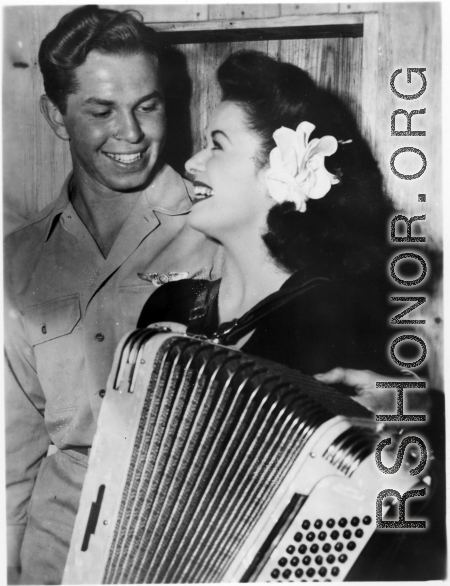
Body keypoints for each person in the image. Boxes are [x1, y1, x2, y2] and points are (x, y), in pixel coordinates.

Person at [138, 50, 446, 580]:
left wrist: (417, 431)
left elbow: (393, 532)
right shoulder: (170, 305)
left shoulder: (339, 324)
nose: (190, 163)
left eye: (217, 145)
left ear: (282, 173)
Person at [4, 6, 221, 584]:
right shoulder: (16, 262)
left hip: (190, 551)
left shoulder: (222, 226)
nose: (130, 134)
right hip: (56, 559)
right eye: (101, 111)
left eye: (146, 106)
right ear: (56, 115)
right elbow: (11, 462)